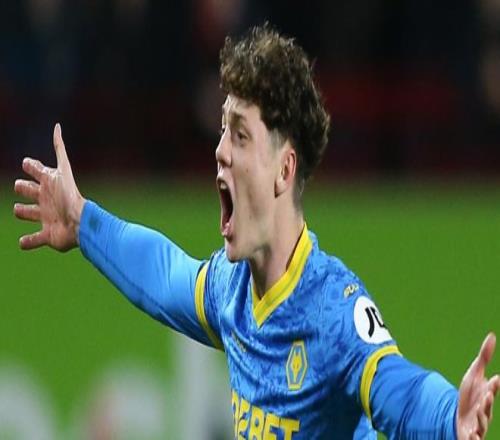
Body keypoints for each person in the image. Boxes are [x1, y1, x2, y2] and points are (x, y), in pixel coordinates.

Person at [14, 24, 499, 439]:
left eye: (240, 134)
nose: (220, 151)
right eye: (223, 130)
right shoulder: (233, 289)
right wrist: (84, 221)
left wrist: (448, 416)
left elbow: (398, 388)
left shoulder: (332, 311)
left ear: (283, 170)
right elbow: (164, 273)